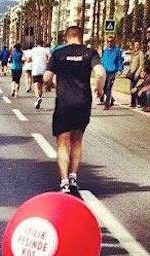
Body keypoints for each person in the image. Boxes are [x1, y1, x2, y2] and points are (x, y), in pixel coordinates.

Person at [43, 25, 105, 196]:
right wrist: (100, 90)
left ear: (66, 38)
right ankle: (73, 178)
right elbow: (100, 73)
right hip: (83, 102)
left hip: (64, 103)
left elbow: (46, 77)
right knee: (77, 141)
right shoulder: (89, 53)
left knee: (63, 143)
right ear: (81, 37)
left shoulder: (58, 53)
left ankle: (64, 182)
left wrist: (49, 84)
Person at [100, 35, 124, 109]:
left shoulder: (117, 51)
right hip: (104, 72)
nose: (109, 43)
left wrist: (120, 69)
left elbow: (119, 61)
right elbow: (102, 60)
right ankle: (111, 98)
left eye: (111, 41)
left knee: (108, 87)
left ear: (114, 42)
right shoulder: (105, 50)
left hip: (112, 72)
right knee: (104, 88)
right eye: (108, 41)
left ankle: (107, 104)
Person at [28, 41, 51, 109]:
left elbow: (29, 59)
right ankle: (39, 99)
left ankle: (38, 98)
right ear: (42, 44)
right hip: (43, 70)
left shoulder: (33, 50)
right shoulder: (46, 50)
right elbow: (50, 58)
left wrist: (30, 60)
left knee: (36, 86)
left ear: (36, 44)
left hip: (35, 70)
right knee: (40, 86)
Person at [127, 40, 145, 107]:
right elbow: (132, 63)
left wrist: (137, 73)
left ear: (140, 46)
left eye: (137, 45)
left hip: (136, 73)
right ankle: (134, 102)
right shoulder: (134, 53)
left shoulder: (140, 53)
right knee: (132, 87)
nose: (136, 46)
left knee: (134, 87)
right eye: (135, 45)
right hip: (132, 72)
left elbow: (141, 64)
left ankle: (135, 103)